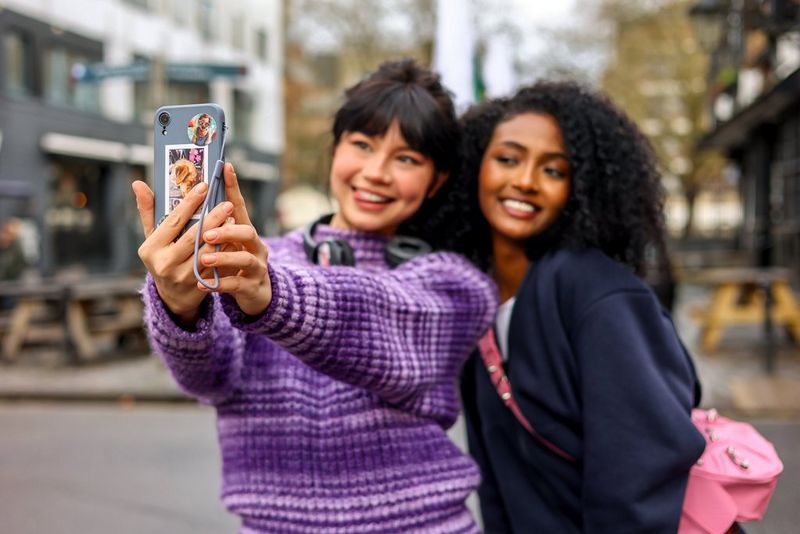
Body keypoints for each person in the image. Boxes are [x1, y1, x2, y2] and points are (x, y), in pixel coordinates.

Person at [132, 59, 497, 533]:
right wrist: (180, 306)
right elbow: (211, 378)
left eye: (406, 158)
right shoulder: (251, 263)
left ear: (438, 179)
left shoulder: (455, 284)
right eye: (362, 145)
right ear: (335, 148)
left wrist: (272, 296)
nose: (377, 172)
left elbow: (384, 320)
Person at [456, 82, 706, 532]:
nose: (525, 181)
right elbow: (496, 477)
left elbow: (641, 470)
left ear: (580, 188)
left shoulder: (596, 293)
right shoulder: (477, 295)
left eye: (553, 170)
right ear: (476, 165)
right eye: (508, 159)